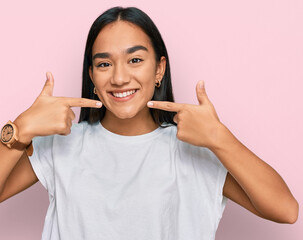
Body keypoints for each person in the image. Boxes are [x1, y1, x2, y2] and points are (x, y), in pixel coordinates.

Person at [0, 6, 298, 240]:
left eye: (135, 60)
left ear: (160, 69)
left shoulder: (196, 150)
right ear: (91, 76)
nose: (118, 78)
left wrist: (220, 138)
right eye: (104, 64)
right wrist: (21, 128)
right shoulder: (61, 146)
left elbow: (286, 211)